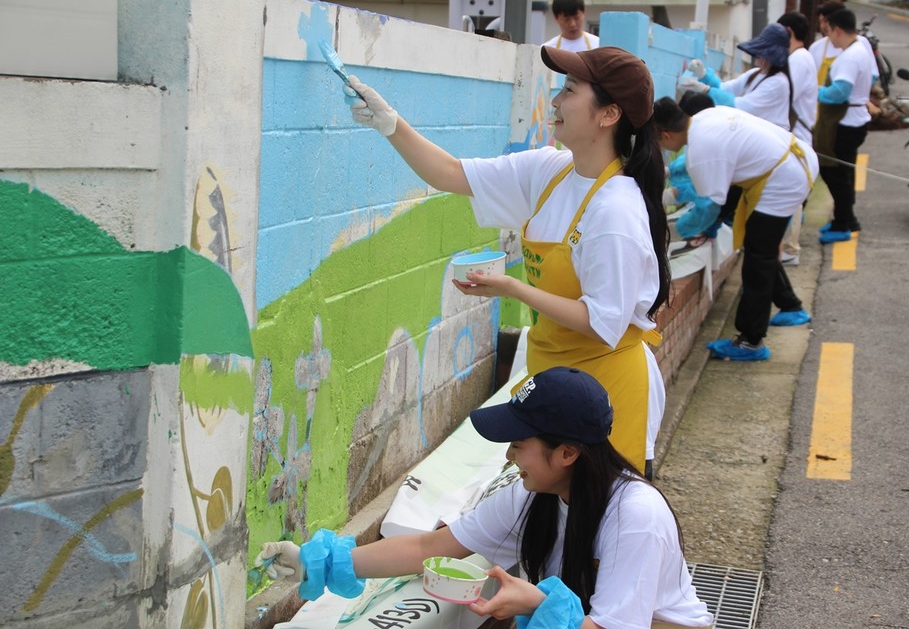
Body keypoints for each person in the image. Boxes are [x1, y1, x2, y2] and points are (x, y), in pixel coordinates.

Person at [342, 46, 671, 472]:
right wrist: (390, 124)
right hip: (553, 382)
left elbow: (602, 322)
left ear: (608, 115)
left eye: (569, 90)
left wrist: (512, 288)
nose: (555, 101)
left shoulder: (615, 212)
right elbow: (450, 174)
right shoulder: (550, 172)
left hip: (608, 391)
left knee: (597, 525)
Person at [257, 366, 715, 629]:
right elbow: (427, 549)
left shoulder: (635, 516)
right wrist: (322, 562)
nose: (510, 456)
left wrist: (537, 605)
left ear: (567, 453)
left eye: (519, 444)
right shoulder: (531, 493)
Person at [654, 95, 819, 361]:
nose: (662, 148)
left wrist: (674, 233)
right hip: (793, 160)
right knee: (759, 247)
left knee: (758, 257)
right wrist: (669, 176)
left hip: (783, 179)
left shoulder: (700, 148)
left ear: (665, 133)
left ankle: (750, 342)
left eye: (657, 142)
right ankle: (790, 306)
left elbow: (709, 207)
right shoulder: (705, 120)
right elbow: (702, 170)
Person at [814, 8, 875, 244]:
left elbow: (839, 93)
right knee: (844, 174)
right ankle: (847, 219)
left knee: (835, 174)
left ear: (837, 30)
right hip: (855, 119)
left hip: (845, 123)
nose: (829, 38)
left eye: (829, 32)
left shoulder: (849, 57)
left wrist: (814, 90)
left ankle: (842, 224)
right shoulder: (861, 47)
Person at [679, 23, 793, 131]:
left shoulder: (778, 83)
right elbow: (725, 88)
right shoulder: (756, 73)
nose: (757, 54)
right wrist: (704, 75)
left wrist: (706, 90)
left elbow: (740, 107)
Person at [777, 11, 819, 267]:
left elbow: (785, 96)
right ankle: (788, 246)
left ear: (789, 32)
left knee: (791, 195)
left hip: (797, 138)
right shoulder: (801, 58)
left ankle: (790, 248)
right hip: (797, 137)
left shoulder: (799, 59)